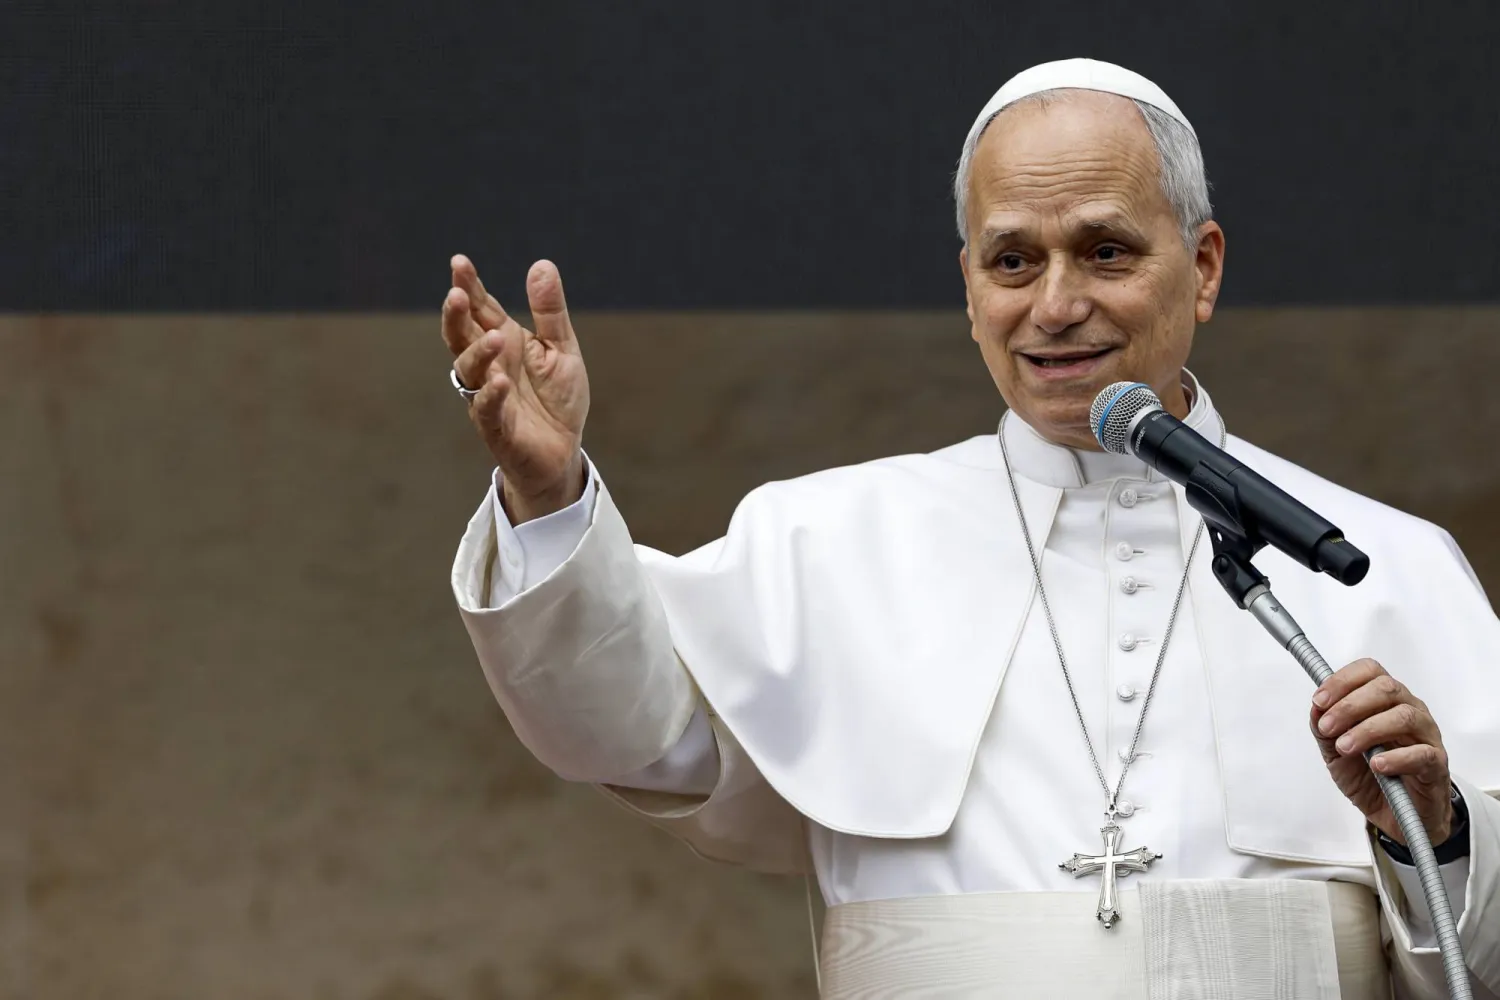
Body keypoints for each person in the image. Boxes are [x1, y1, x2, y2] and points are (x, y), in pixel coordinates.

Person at [439, 58, 1500, 998]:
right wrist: (552, 493)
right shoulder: (830, 538)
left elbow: (1479, 960)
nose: (1054, 304)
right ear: (968, 285)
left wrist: (1436, 829)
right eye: (1012, 262)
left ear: (1205, 267)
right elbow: (625, 733)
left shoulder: (1380, 565)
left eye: (1105, 252)